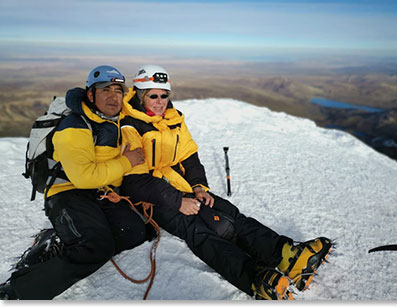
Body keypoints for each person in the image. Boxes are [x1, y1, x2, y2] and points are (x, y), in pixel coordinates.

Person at [118, 64, 333, 300]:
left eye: (164, 95)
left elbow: (189, 156)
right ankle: (255, 280)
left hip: (179, 185)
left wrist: (199, 186)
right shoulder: (130, 126)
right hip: (152, 198)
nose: (160, 101)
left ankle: (287, 256)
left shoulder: (173, 119)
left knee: (227, 213)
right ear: (140, 95)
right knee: (198, 230)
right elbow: (134, 182)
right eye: (153, 96)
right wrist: (179, 201)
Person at [0, 65, 150, 300]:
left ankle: (67, 235)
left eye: (118, 90)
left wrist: (116, 181)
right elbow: (83, 177)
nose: (113, 96)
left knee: (134, 232)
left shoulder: (113, 121)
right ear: (90, 95)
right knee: (96, 246)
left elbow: (104, 169)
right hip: (66, 193)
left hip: (98, 191)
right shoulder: (74, 125)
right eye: (105, 90)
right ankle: (16, 292)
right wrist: (126, 162)